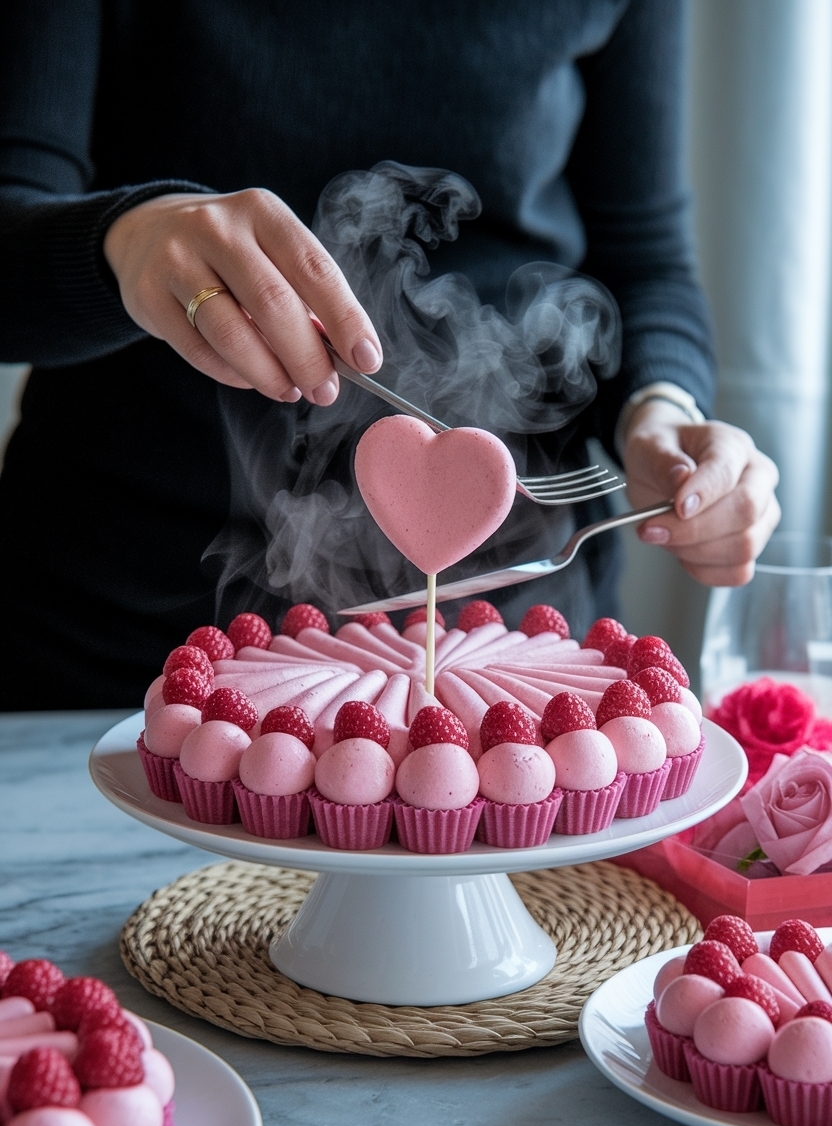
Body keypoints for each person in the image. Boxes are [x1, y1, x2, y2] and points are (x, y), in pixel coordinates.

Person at [0, 0, 779, 710]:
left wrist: (662, 408)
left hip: (515, 669)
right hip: (125, 636)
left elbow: (643, 255)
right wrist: (124, 240)